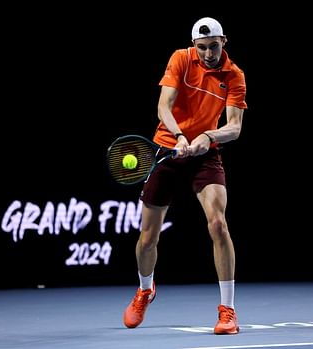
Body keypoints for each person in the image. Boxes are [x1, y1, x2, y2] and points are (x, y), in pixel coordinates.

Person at [122, 17, 247, 335]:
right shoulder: (180, 58)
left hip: (206, 154)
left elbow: (234, 127)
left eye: (214, 46)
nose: (208, 53)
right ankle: (145, 290)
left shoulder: (234, 76)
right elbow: (164, 106)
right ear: (195, 46)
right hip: (168, 150)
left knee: (218, 224)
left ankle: (228, 311)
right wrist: (179, 137)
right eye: (202, 47)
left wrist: (208, 137)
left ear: (224, 42)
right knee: (148, 239)